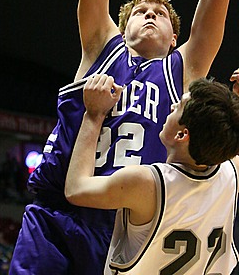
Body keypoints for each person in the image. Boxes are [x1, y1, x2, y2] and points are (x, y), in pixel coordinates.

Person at [9, 0, 238, 275]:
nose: (149, 15)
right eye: (140, 11)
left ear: (176, 35)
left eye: (160, 14)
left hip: (123, 223)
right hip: (56, 209)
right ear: (123, 24)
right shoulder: (101, 45)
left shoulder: (184, 69)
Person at [65, 72, 239, 273]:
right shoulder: (232, 173)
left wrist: (94, 115)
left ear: (182, 135)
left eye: (179, 107)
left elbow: (75, 189)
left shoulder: (148, 183)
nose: (172, 106)